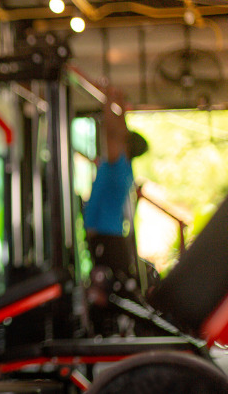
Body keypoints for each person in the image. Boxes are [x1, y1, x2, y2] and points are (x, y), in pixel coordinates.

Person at [83, 90, 148, 331]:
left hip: (103, 232)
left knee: (108, 283)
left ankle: (106, 328)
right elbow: (120, 132)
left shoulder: (117, 161)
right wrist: (120, 108)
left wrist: (108, 103)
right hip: (109, 232)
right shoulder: (124, 166)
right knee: (117, 281)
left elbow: (113, 132)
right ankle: (114, 327)